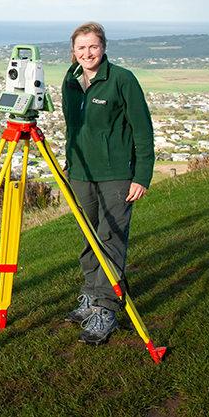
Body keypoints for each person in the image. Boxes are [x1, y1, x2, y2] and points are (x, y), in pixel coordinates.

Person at [62, 22, 154, 345]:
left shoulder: (122, 80)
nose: (87, 53)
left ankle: (106, 309)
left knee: (110, 239)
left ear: (103, 48)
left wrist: (141, 174)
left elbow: (142, 129)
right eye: (81, 48)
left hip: (116, 175)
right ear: (73, 51)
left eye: (93, 47)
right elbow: (73, 128)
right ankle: (89, 297)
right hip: (80, 174)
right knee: (89, 237)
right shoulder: (70, 81)